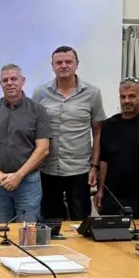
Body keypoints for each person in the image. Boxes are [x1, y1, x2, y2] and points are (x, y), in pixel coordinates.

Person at [33, 46, 106, 220]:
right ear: (52, 66)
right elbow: (34, 129)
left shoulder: (92, 93)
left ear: (76, 64)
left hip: (79, 169)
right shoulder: (40, 93)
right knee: (51, 220)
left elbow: (97, 132)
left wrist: (94, 166)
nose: (64, 65)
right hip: (48, 168)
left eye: (68, 61)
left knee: (80, 220)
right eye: (59, 62)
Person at [0, 64, 50, 223]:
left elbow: (43, 149)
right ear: (0, 84)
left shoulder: (38, 110)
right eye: (5, 80)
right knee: (0, 229)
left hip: (28, 184)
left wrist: (18, 176)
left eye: (14, 79)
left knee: (27, 231)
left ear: (23, 81)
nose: (9, 83)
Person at [96, 78, 139, 219]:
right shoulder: (108, 125)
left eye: (132, 96)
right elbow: (104, 161)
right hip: (113, 197)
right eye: (123, 97)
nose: (126, 101)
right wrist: (100, 190)